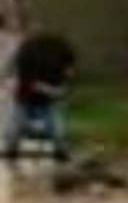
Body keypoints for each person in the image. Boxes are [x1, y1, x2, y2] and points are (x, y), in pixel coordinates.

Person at [5, 33, 76, 161]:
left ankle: (61, 153)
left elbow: (69, 73)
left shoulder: (62, 55)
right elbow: (30, 83)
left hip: (49, 102)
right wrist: (53, 91)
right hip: (25, 100)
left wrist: (64, 86)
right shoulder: (26, 57)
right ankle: (11, 152)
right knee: (13, 130)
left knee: (59, 132)